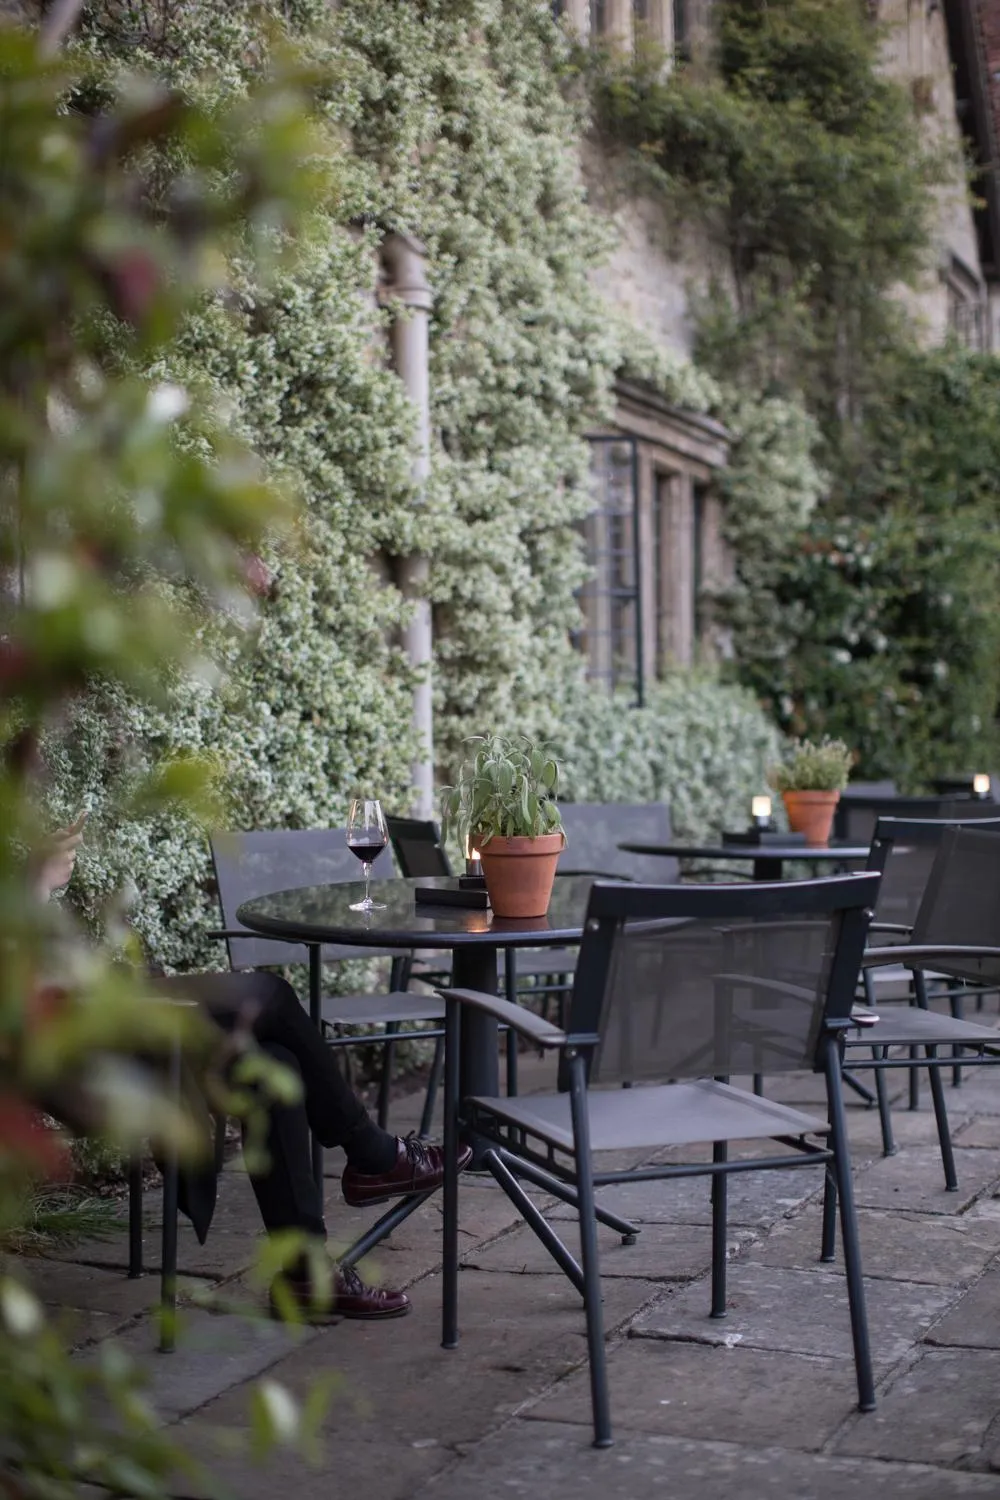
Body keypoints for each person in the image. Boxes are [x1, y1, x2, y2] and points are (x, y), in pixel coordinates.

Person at [34, 824, 472, 1322]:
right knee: (272, 994)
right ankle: (373, 1155)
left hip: (87, 1007)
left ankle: (305, 1271)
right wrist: (37, 881)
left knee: (273, 1064)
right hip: (65, 1032)